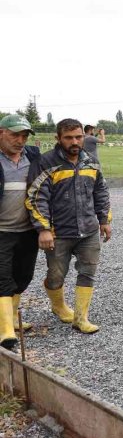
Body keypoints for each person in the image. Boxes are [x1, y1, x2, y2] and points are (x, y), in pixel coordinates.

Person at [25, 118, 112, 335]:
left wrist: (104, 220)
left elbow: (100, 191)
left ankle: (81, 318)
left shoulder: (90, 161)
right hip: (59, 233)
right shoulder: (45, 163)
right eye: (69, 137)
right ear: (58, 138)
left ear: (83, 136)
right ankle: (58, 306)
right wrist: (44, 229)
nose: (75, 141)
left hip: (89, 230)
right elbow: (36, 198)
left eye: (78, 136)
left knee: (88, 272)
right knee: (56, 276)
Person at [0, 115, 43, 348]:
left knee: (23, 276)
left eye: (24, 136)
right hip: (2, 230)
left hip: (28, 230)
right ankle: (5, 330)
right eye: (15, 135)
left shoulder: (34, 157)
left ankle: (12, 319)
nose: (20, 140)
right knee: (2, 277)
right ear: (1, 133)